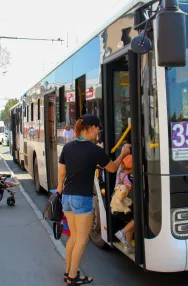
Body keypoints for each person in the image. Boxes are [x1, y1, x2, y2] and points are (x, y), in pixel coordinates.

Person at [58, 114, 130, 285]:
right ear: (91, 128)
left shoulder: (68, 148)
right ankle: (73, 276)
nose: (98, 132)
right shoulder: (94, 150)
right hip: (82, 198)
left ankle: (68, 271)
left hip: (67, 197)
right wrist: (123, 153)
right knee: (81, 241)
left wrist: (60, 189)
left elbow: (62, 173)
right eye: (98, 128)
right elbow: (112, 168)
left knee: (73, 238)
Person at [114, 154, 135, 253]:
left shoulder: (119, 171)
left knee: (130, 222)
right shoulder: (131, 177)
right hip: (127, 203)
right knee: (138, 219)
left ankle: (128, 246)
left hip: (118, 203)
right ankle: (121, 233)